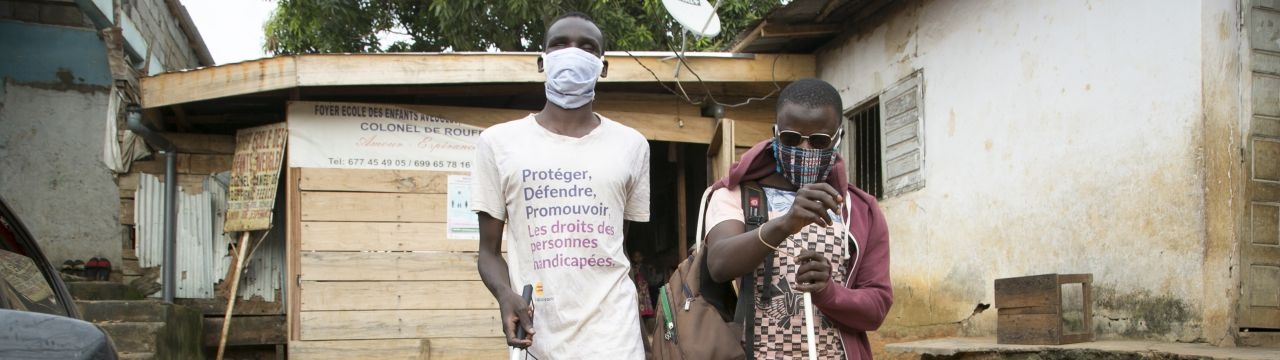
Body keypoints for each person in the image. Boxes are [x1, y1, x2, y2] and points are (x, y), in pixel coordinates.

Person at [471, 11, 652, 359]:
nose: (573, 52)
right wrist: (505, 294)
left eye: (587, 47)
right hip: (538, 333)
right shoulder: (497, 143)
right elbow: (488, 252)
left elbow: (618, 244)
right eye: (560, 44)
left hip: (614, 335)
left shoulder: (632, 145)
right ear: (542, 62)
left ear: (603, 66)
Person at [702, 79, 892, 359]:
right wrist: (784, 224)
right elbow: (719, 263)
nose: (804, 148)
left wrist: (829, 292)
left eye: (818, 141)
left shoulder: (859, 209)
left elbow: (876, 309)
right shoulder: (735, 194)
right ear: (775, 133)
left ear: (837, 139)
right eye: (791, 138)